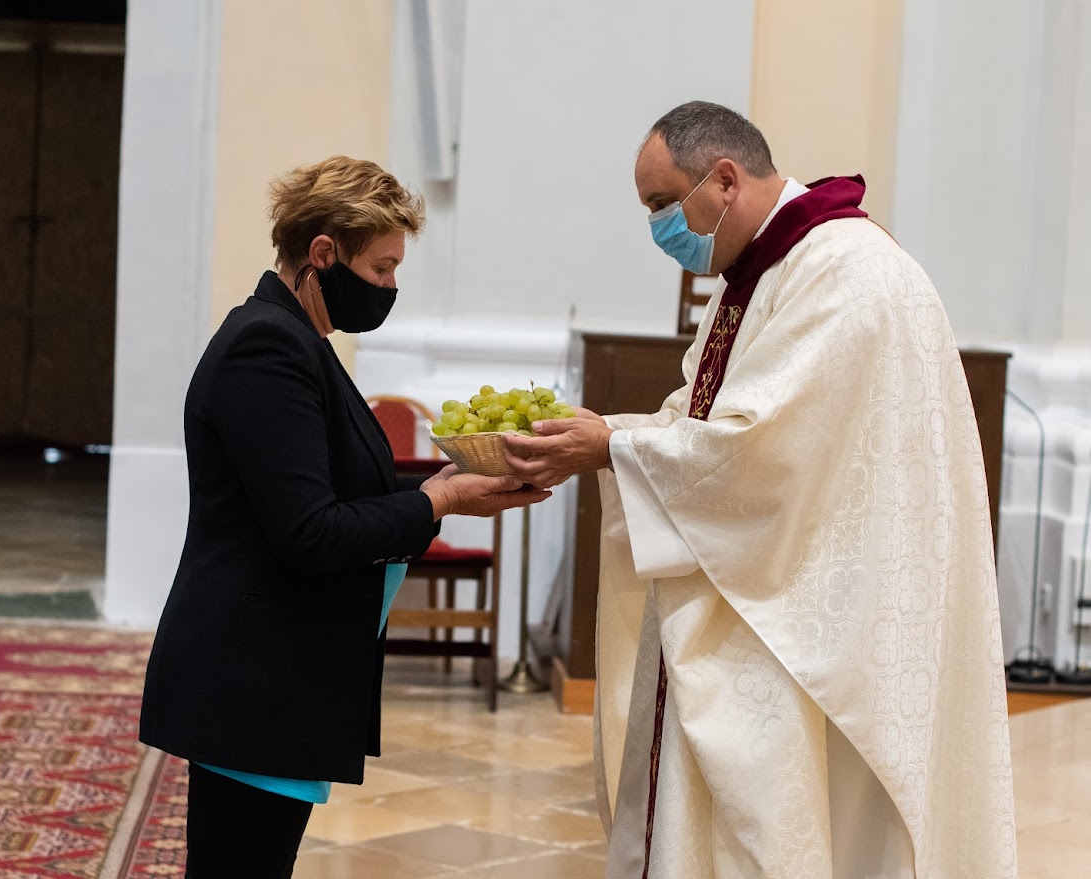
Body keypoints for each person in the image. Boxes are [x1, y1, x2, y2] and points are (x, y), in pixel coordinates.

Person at [502, 102, 1016, 878]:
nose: (658, 228)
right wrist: (608, 437)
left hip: (821, 622)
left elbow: (764, 454)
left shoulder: (843, 273)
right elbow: (706, 424)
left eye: (661, 204)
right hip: (778, 588)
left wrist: (611, 446)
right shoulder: (771, 269)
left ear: (725, 180)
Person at [139, 156, 548, 878]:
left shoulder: (303, 342)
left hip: (283, 673)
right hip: (253, 678)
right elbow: (310, 531)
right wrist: (443, 500)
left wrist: (445, 483)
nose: (390, 287)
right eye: (382, 268)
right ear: (323, 253)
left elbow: (336, 491)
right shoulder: (267, 346)